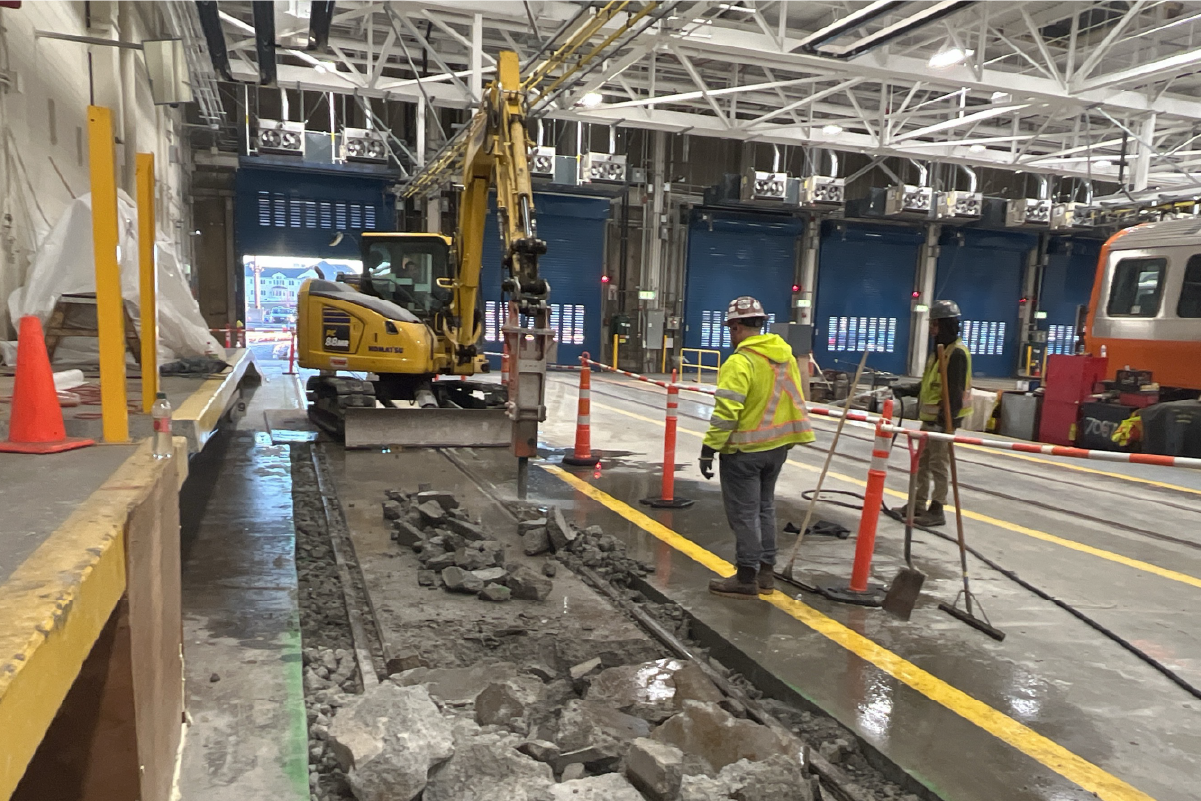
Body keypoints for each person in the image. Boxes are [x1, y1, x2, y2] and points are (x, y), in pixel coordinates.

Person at [699, 296, 816, 599]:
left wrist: (709, 448)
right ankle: (766, 573)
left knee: (745, 514)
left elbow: (726, 413)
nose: (730, 333)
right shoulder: (785, 357)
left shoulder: (740, 361)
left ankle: (746, 576)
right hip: (777, 449)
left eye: (730, 327)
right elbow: (797, 398)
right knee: (765, 508)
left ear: (736, 326)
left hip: (744, 453)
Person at [912, 299, 973, 527]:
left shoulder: (956, 353)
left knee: (938, 464)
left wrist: (943, 422)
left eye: (935, 325)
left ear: (945, 325)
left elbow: (955, 393)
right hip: (929, 420)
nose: (931, 329)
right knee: (922, 463)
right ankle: (917, 504)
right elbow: (931, 383)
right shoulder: (938, 351)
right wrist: (908, 389)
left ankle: (937, 508)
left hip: (942, 421)